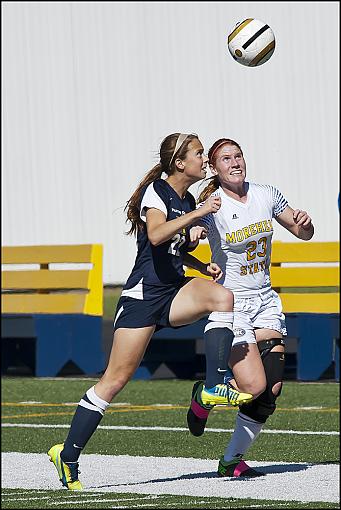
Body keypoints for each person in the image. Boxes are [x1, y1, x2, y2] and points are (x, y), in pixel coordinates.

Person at [47, 133, 253, 490]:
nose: (203, 160)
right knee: (114, 381)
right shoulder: (158, 191)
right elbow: (156, 236)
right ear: (179, 163)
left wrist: (199, 264)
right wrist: (199, 213)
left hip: (172, 291)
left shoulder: (186, 198)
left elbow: (171, 249)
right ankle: (67, 454)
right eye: (199, 154)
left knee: (222, 297)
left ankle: (214, 384)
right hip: (143, 298)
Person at [187, 137, 314, 478]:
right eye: (225, 159)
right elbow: (188, 232)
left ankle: (231, 461)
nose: (235, 162)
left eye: (238, 155)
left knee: (271, 389)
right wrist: (194, 232)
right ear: (214, 168)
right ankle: (204, 395)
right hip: (232, 304)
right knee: (254, 387)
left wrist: (304, 222)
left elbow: (305, 232)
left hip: (265, 298)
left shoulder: (266, 194)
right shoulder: (212, 205)